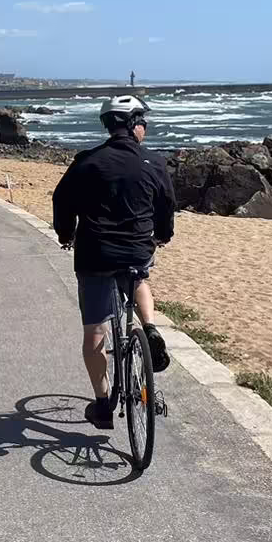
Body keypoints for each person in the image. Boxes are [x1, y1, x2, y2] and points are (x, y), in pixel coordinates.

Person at [52, 94, 175, 431]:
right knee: (139, 278)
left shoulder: (87, 162)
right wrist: (162, 235)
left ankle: (104, 403)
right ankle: (149, 327)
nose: (145, 128)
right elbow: (166, 205)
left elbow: (62, 200)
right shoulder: (154, 162)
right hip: (137, 249)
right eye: (143, 122)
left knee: (95, 329)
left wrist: (66, 234)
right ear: (134, 124)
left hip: (95, 252)